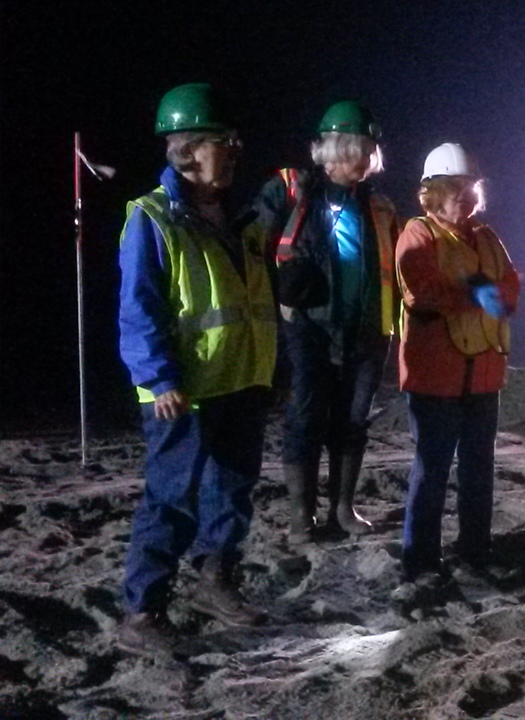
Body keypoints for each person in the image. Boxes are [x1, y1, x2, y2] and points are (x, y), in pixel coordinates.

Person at [117, 83, 277, 656]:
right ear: (187, 148)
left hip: (240, 382)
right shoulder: (154, 218)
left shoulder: (243, 222)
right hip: (181, 394)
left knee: (231, 493)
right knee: (171, 499)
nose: (234, 151)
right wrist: (160, 378)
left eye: (234, 141)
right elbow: (140, 308)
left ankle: (215, 581)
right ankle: (141, 612)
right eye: (221, 141)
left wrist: (268, 371)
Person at [255, 101, 399, 543]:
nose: (366, 160)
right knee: (305, 415)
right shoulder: (291, 191)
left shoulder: (378, 206)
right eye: (359, 150)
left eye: (369, 152)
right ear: (336, 148)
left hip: (367, 330)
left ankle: (343, 509)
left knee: (354, 420)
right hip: (308, 327)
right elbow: (252, 244)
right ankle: (302, 516)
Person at [395, 143, 519, 582]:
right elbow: (419, 290)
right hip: (436, 376)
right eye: (453, 188)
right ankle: (420, 560)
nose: (464, 197)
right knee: (431, 469)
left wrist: (499, 294)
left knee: (478, 469)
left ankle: (474, 552)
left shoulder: (485, 237)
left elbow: (510, 285)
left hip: (483, 373)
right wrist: (472, 294)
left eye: (470, 188)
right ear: (431, 193)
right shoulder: (419, 235)